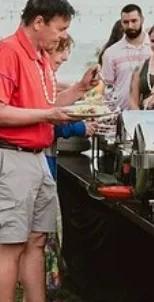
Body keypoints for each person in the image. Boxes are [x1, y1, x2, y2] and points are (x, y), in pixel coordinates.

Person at [0, 0, 99, 302]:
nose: (63, 36)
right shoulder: (7, 51)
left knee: (36, 240)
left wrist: (80, 88)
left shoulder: (41, 59)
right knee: (12, 245)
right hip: (8, 158)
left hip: (36, 159)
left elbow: (47, 104)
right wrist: (47, 114)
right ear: (39, 22)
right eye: (60, 28)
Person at [41, 34, 95, 293]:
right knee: (43, 226)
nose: (63, 58)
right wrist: (81, 126)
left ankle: (49, 277)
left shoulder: (48, 78)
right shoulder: (40, 78)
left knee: (48, 224)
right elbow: (48, 124)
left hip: (48, 156)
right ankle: (46, 281)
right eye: (60, 52)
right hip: (41, 159)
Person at [101, 4, 152, 111]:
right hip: (121, 112)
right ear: (121, 23)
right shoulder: (111, 53)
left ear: (142, 20)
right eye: (126, 22)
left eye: (134, 21)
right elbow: (107, 87)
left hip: (152, 110)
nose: (130, 26)